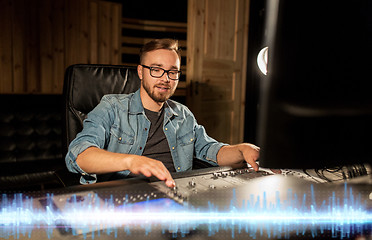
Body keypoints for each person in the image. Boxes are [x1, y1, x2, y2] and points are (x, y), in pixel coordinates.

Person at [65, 38, 260, 188]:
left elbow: (211, 151)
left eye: (172, 72)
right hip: (120, 201)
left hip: (174, 195)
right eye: (156, 70)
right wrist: (131, 161)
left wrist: (241, 150)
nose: (166, 79)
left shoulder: (183, 114)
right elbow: (78, 155)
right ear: (141, 72)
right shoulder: (112, 106)